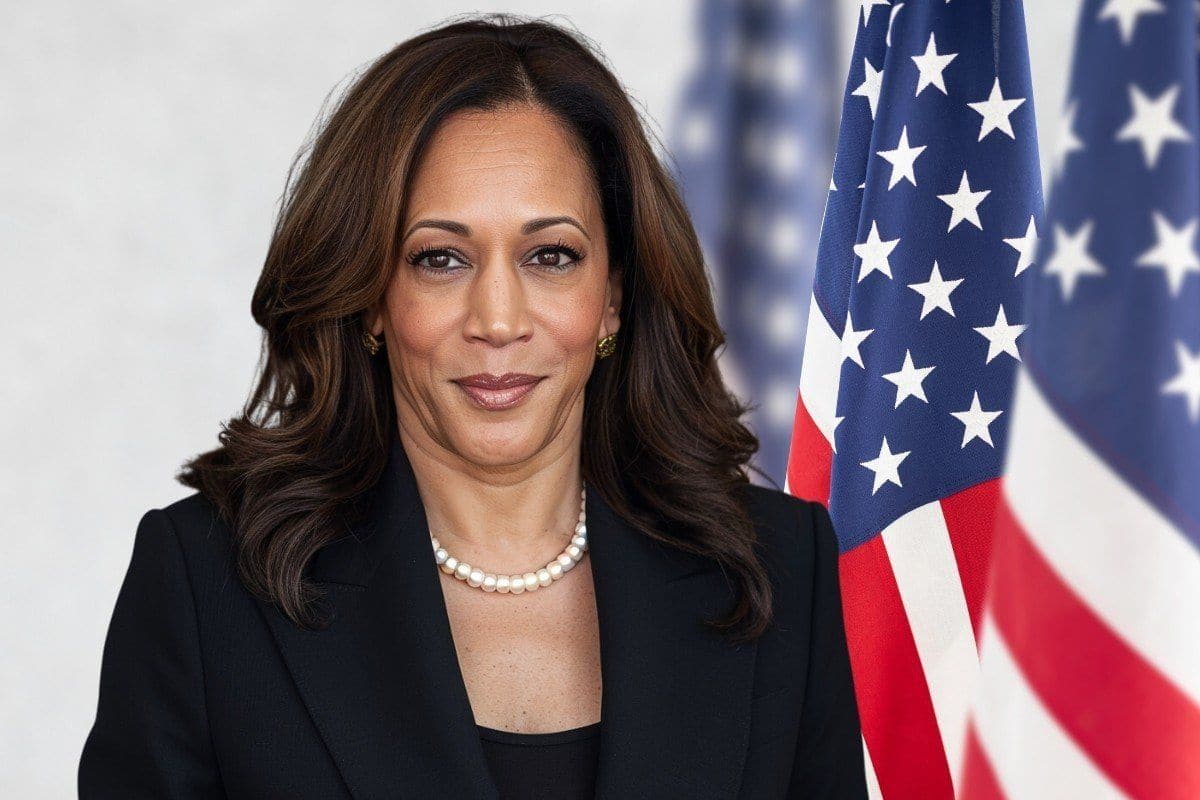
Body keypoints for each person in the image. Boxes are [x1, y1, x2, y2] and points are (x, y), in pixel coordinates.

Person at [77, 13, 867, 799]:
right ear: (373, 298)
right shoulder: (207, 584)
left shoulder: (775, 574)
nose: (497, 320)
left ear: (614, 298)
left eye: (550, 256)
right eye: (440, 259)